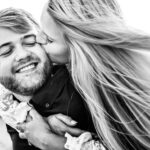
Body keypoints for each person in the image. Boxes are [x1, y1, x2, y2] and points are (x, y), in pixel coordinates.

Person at [28, 0, 150, 149]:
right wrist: (49, 121)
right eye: (40, 29)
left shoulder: (117, 92)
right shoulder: (62, 71)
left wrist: (48, 140)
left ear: (80, 49)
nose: (37, 39)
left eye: (50, 39)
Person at [0, 8, 96, 150]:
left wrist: (49, 140)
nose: (22, 55)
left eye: (31, 42)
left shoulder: (86, 86)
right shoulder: (12, 113)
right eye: (5, 52)